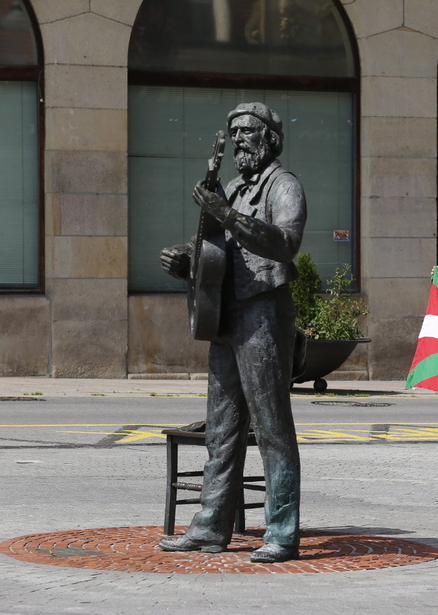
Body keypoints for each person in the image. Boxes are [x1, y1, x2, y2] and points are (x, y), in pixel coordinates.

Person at [158, 102, 307, 563]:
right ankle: (209, 527)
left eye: (248, 131)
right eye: (233, 132)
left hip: (262, 312)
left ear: (270, 139)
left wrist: (225, 215)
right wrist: (187, 259)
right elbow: (214, 249)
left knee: (271, 428)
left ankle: (281, 531)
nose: (239, 139)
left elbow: (284, 243)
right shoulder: (234, 188)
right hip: (226, 313)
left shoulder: (283, 186)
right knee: (221, 429)